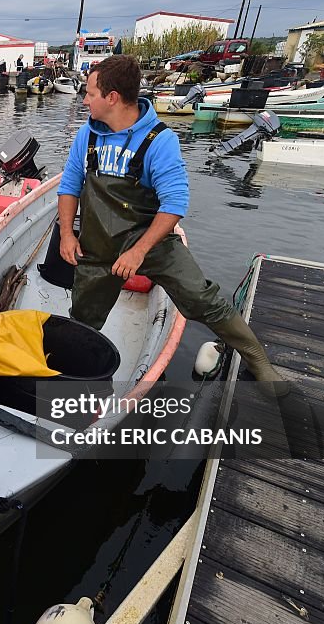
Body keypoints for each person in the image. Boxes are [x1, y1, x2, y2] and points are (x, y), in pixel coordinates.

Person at [57, 55, 285, 394]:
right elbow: (69, 186)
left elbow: (175, 205)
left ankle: (255, 356)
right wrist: (66, 234)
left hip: (151, 241)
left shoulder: (159, 141)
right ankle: (81, 376)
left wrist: (138, 253)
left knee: (200, 296)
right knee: (83, 316)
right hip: (99, 242)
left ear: (113, 97)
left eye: (90, 93)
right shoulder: (87, 136)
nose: (85, 99)